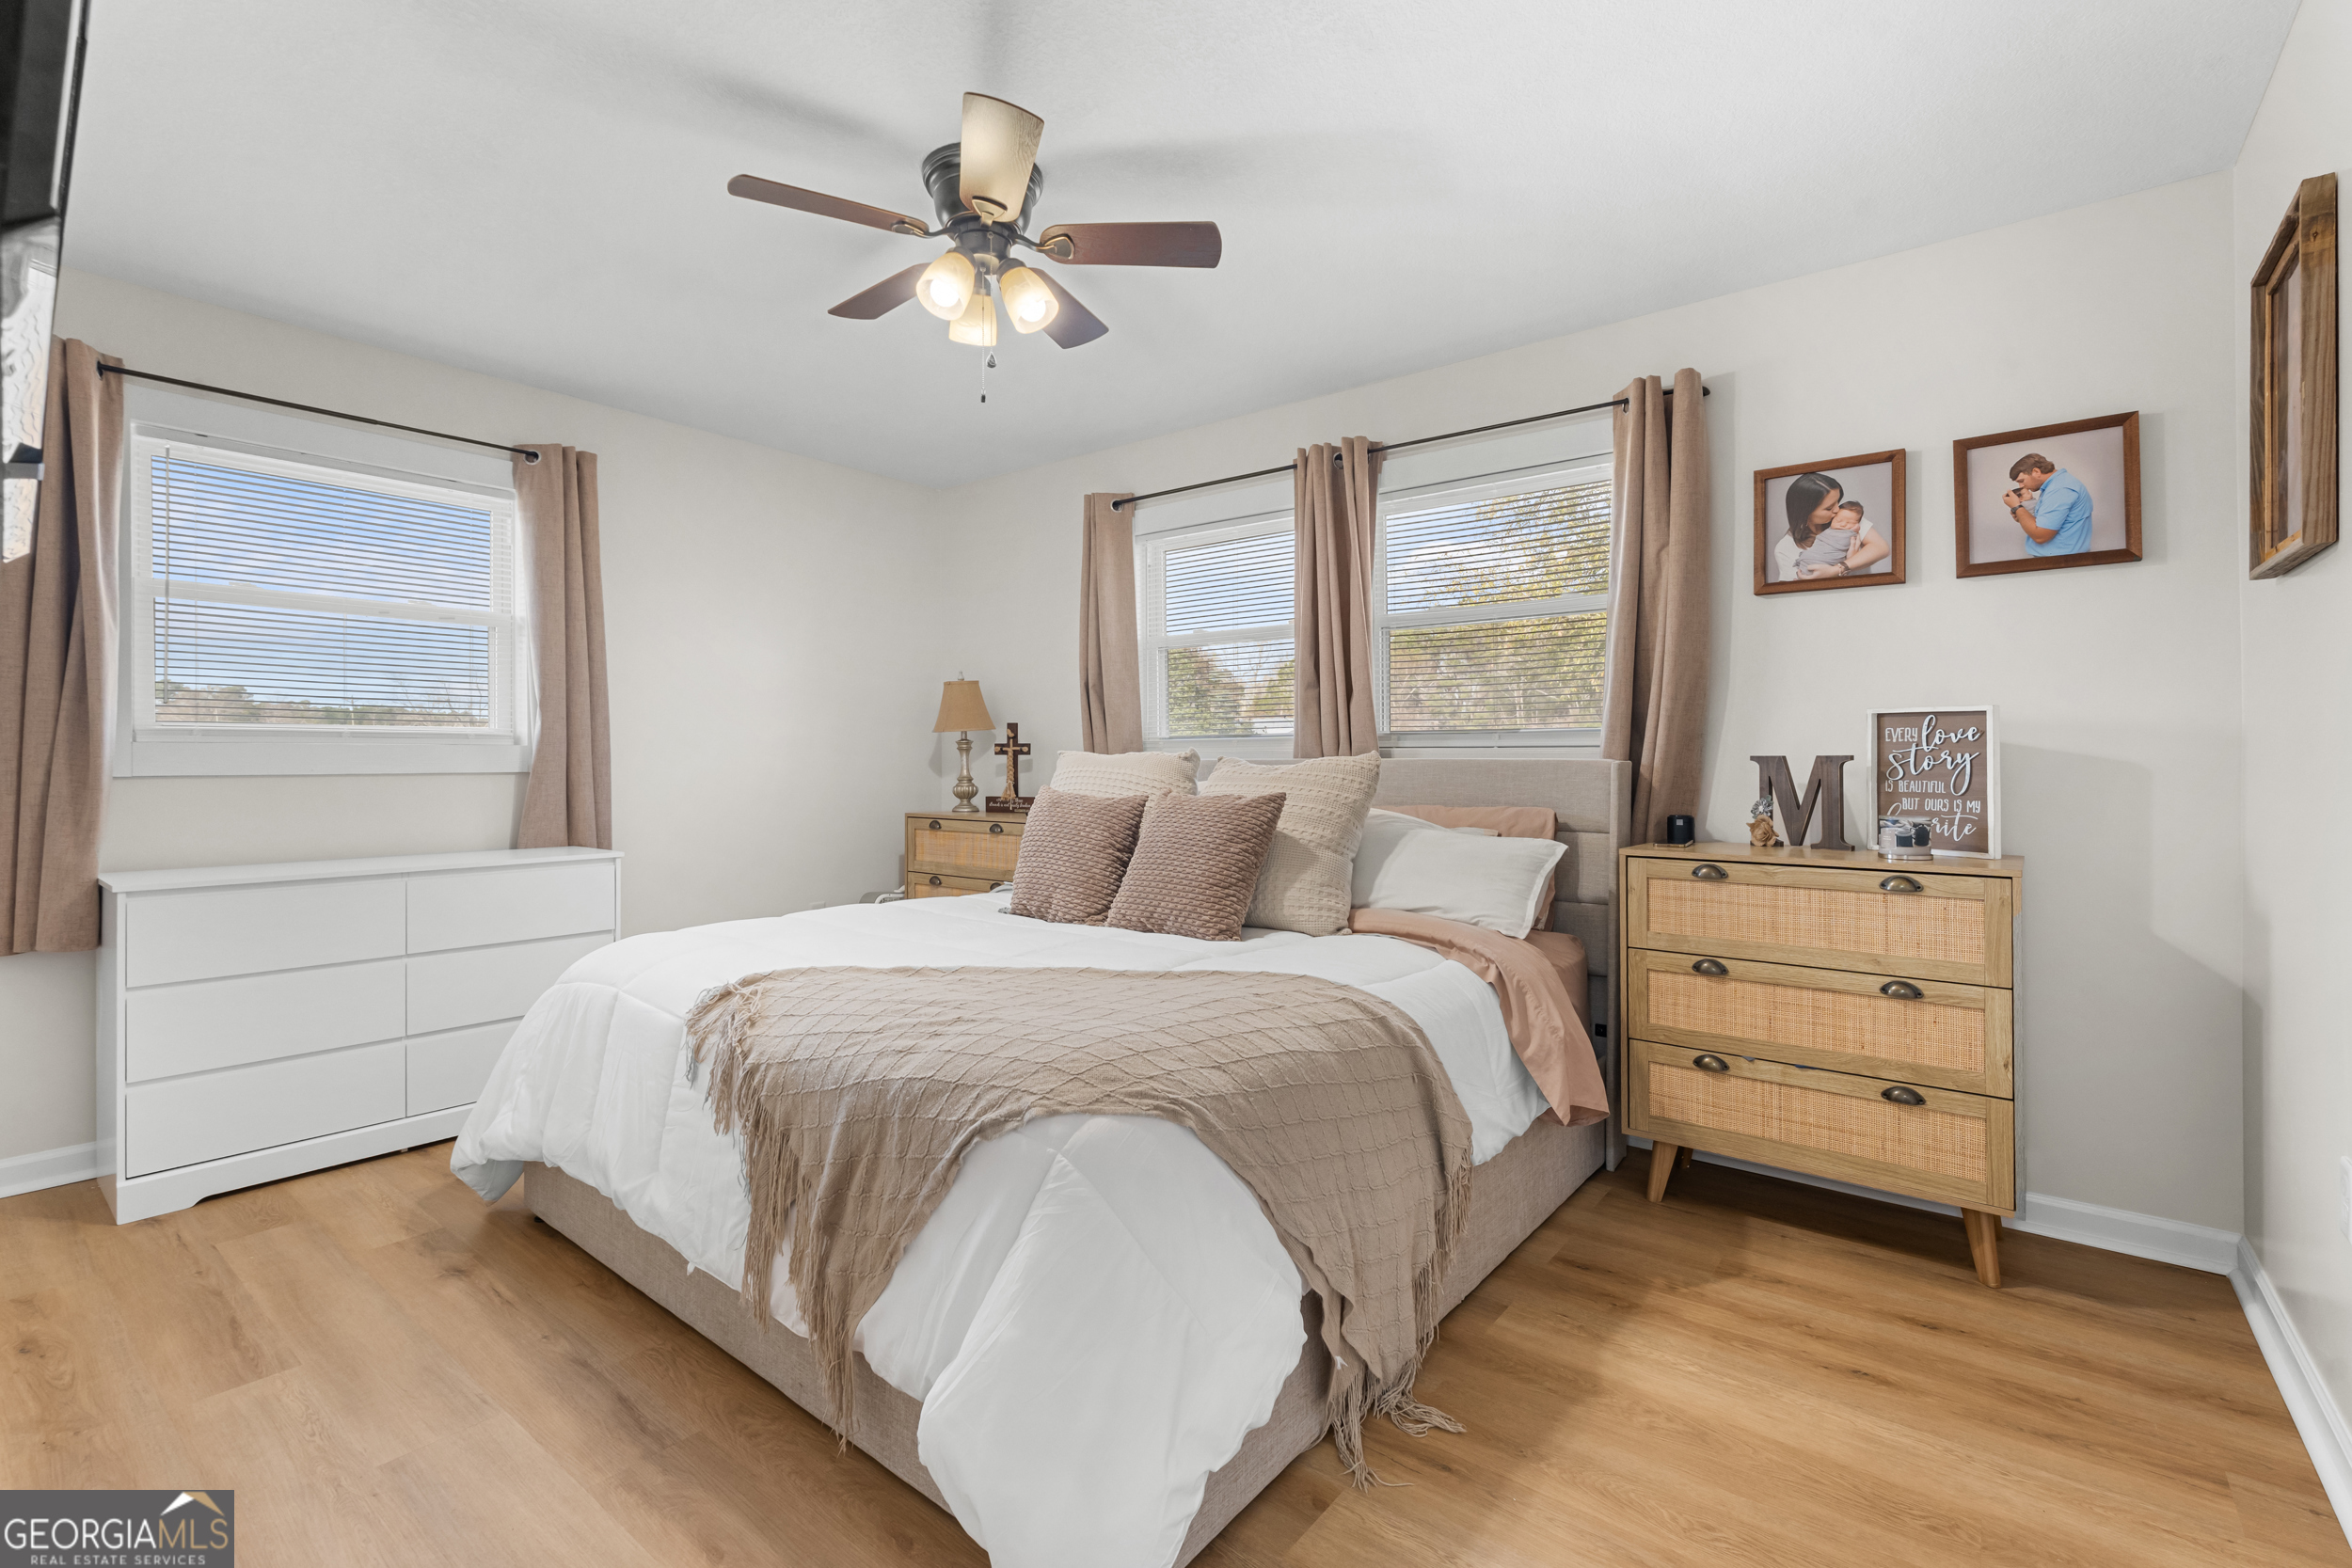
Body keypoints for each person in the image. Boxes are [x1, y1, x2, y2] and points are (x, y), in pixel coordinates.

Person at [1776, 474, 1891, 579]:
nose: (1837, 510)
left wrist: (1838, 568)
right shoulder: (1786, 548)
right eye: (1829, 508)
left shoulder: (1846, 518)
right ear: (1805, 512)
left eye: (1837, 501)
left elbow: (1882, 548)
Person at [2002, 452, 2092, 555]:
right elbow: (2043, 523)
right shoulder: (2056, 485)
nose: (2021, 486)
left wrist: (2017, 507)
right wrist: (2022, 516)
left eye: (2022, 480)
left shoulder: (2060, 489)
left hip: (2061, 562)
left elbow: (2040, 536)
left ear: (2036, 471)